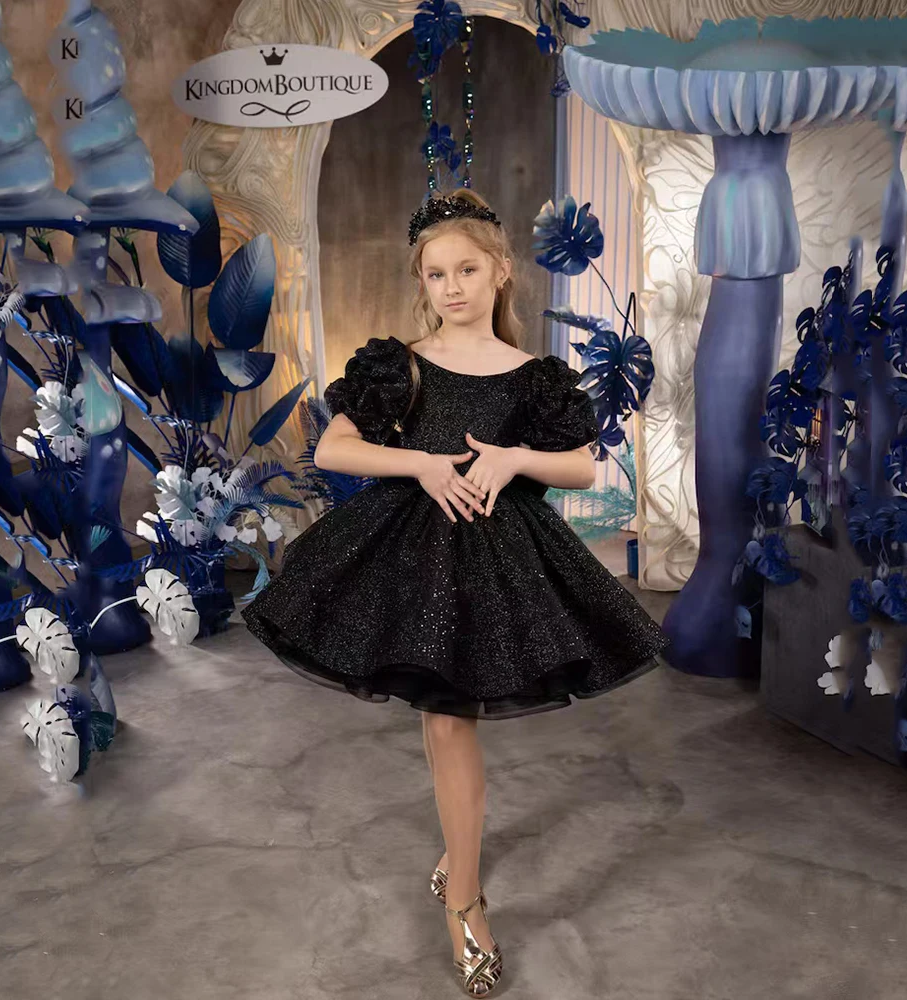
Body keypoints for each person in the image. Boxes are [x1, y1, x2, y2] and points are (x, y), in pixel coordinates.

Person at [241, 189, 669, 996]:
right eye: (435, 275)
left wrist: (511, 460)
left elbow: (581, 465)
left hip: (503, 563)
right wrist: (424, 463)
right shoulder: (397, 362)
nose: (453, 287)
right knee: (445, 723)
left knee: (459, 717)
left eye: (467, 269)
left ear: (501, 272)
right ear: (423, 283)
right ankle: (465, 899)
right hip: (410, 558)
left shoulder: (535, 376)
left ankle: (458, 862)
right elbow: (337, 445)